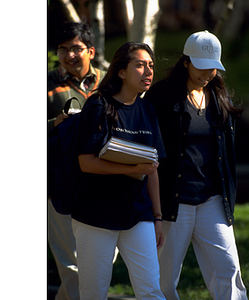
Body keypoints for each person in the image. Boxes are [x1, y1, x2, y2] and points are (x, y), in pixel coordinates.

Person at [144, 31, 248, 300]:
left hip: (212, 198)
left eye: (213, 67)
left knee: (228, 270)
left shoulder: (218, 95)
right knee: (163, 278)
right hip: (172, 202)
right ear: (186, 62)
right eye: (201, 66)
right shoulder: (161, 96)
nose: (208, 73)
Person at [71, 42, 166, 300]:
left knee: (151, 291)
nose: (148, 71)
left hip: (139, 214)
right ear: (121, 72)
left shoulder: (148, 111)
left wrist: (157, 218)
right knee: (94, 293)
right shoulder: (98, 106)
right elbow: (86, 162)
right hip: (96, 215)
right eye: (139, 64)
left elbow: (152, 168)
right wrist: (132, 168)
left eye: (151, 65)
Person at [47, 21, 105, 300]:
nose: (69, 55)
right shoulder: (45, 84)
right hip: (61, 182)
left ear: (91, 51)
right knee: (73, 265)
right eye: (62, 49)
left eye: (76, 48)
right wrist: (54, 123)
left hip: (105, 179)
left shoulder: (110, 81)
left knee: (100, 258)